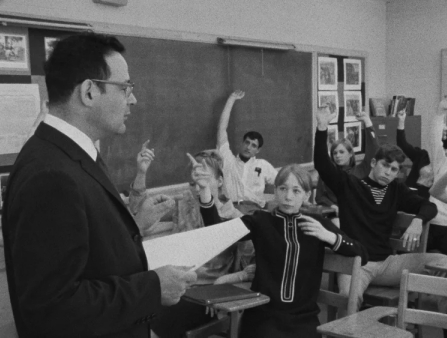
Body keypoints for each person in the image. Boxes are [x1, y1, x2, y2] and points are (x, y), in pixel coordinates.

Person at [1, 33, 196, 338]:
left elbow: (83, 250)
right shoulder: (51, 174)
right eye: (125, 87)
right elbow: (52, 309)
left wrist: (131, 226)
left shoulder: (71, 153)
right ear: (89, 92)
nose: (133, 98)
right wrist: (154, 288)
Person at [191, 155, 368, 338]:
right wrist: (205, 190)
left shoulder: (317, 224)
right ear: (275, 191)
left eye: (296, 191)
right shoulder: (261, 221)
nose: (288, 197)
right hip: (263, 317)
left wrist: (329, 236)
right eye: (283, 189)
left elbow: (361, 253)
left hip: (304, 319)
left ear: (307, 195)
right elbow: (217, 231)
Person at [314, 106, 447, 319]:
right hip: (357, 263)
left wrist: (417, 222)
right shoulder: (350, 184)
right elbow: (322, 164)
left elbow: (428, 206)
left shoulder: (396, 189)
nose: (389, 172)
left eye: (394, 170)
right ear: (374, 163)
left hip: (387, 264)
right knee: (349, 297)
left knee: (443, 262)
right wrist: (321, 128)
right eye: (385, 166)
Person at [149, 150, 255, 338]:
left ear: (220, 181)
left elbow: (252, 267)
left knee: (155, 318)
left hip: (207, 294)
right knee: (137, 311)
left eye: (204, 179)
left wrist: (221, 286)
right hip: (174, 285)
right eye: (194, 181)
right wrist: (142, 174)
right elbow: (140, 214)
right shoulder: (184, 206)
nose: (197, 187)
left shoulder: (234, 218)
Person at [217, 90, 277, 213]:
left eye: (253, 145)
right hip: (232, 209)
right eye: (247, 142)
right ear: (242, 143)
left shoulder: (262, 165)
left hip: (254, 210)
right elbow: (222, 129)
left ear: (258, 150)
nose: (248, 147)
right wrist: (231, 99)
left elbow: (283, 181)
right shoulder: (228, 160)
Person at [316, 111, 379, 223]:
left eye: (341, 152)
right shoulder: (329, 173)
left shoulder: (360, 170)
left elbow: (374, 151)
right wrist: (333, 206)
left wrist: (367, 123)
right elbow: (320, 197)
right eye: (335, 153)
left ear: (350, 154)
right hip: (334, 214)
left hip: (357, 215)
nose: (338, 156)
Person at [396, 109, 433, 199]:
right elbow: (402, 143)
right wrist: (401, 121)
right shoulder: (422, 155)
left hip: (432, 200)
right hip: (410, 194)